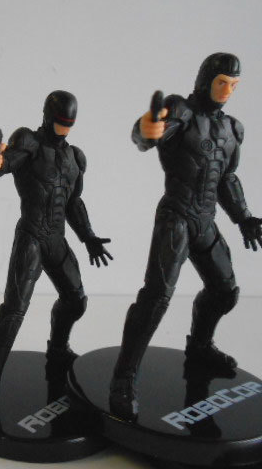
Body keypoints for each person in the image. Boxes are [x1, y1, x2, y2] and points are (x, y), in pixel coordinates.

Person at [110, 53, 262, 420]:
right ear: (206, 80)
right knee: (156, 298)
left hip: (205, 221)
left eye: (234, 85)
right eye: (222, 82)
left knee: (225, 291)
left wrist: (243, 217)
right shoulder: (181, 111)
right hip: (176, 217)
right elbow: (147, 136)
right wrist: (147, 128)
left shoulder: (232, 129)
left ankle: (199, 347)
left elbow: (226, 178)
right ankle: (124, 376)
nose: (228, 91)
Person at [0, 90, 112, 427]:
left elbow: (73, 203)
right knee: (13, 312)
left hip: (57, 239)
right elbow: (2, 166)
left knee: (76, 300)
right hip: (32, 237)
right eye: (61, 121)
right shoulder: (29, 143)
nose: (65, 128)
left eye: (70, 123)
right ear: (48, 117)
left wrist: (89, 237)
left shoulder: (75, 157)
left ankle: (57, 351)